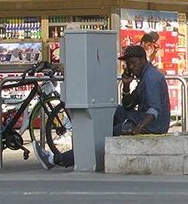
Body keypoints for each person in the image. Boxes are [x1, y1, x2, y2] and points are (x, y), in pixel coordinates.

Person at [34, 45, 170, 169]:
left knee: (101, 139)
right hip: (139, 116)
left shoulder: (150, 78)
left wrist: (139, 127)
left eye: (133, 63)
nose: (131, 67)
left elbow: (154, 110)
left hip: (150, 124)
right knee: (110, 109)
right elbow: (129, 104)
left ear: (142, 59)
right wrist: (127, 85)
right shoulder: (145, 75)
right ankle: (98, 136)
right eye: (127, 64)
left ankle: (56, 159)